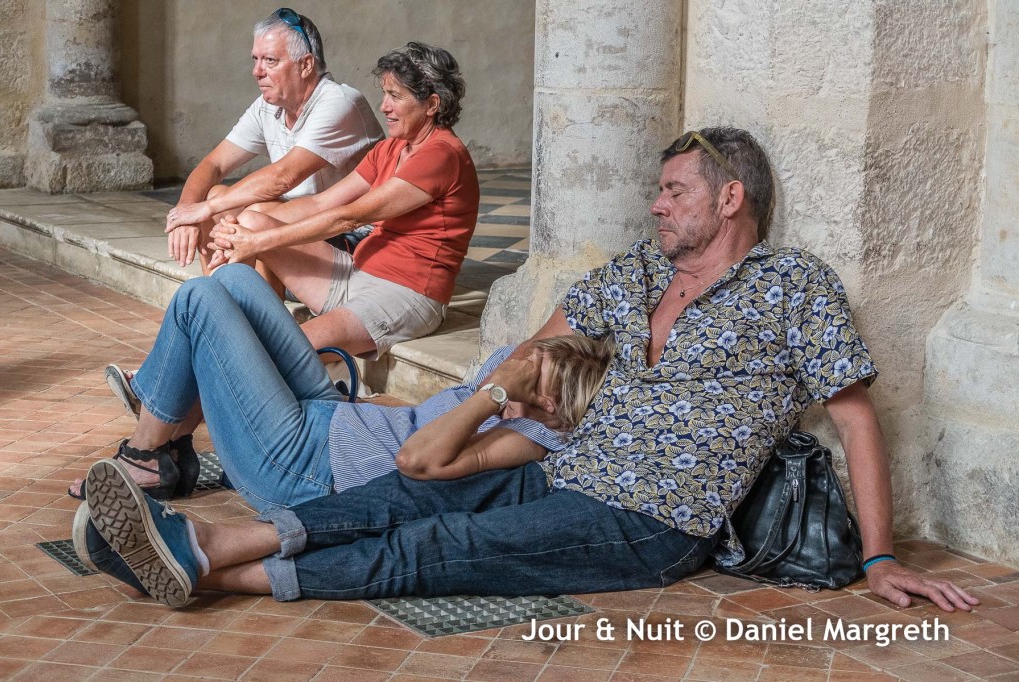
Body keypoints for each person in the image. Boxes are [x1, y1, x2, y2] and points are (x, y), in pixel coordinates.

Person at [81, 127, 978, 614]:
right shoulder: (640, 271)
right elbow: (533, 352)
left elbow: (856, 419)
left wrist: (880, 558)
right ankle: (208, 544)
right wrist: (500, 395)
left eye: (674, 192)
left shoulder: (794, 286)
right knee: (403, 496)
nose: (657, 206)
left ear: (731, 198)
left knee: (440, 549)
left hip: (651, 518)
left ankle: (207, 569)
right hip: (563, 468)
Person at [70, 265, 611, 508]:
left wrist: (494, 394)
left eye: (531, 372)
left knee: (198, 300)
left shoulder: (530, 438)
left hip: (299, 467)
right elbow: (546, 335)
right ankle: (170, 443)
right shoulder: (522, 393)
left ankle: (146, 456)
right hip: (329, 413)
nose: (517, 365)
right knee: (236, 279)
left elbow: (418, 460)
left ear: (550, 402)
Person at [206, 42, 479, 359]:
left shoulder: (442, 155)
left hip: (405, 294)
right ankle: (233, 335)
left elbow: (349, 217)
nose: (384, 106)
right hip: (355, 273)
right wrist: (241, 233)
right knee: (249, 222)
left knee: (284, 352)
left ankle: (238, 357)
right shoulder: (390, 148)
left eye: (395, 96)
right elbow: (321, 204)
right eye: (384, 94)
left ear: (432, 104)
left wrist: (257, 243)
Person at [163, 8, 384, 271]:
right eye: (255, 59)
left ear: (306, 65)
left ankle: (255, 297)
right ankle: (218, 292)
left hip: (352, 234)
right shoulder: (267, 107)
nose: (257, 71)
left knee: (252, 217)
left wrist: (206, 208)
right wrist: (185, 211)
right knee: (216, 196)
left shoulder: (339, 102)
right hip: (302, 220)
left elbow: (284, 177)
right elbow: (215, 165)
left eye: (270, 60)